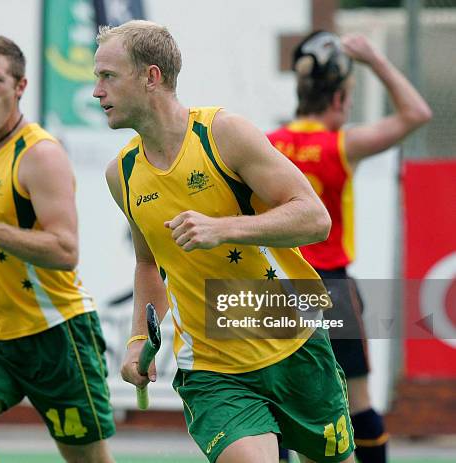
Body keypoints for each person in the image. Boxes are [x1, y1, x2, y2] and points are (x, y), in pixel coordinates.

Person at [94, 20, 357, 463]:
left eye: (108, 76)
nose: (97, 91)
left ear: (151, 77)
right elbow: (147, 264)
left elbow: (315, 218)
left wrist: (223, 228)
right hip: (213, 369)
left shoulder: (222, 133)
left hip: (294, 342)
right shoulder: (121, 174)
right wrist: (140, 335)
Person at [0, 36, 116, 463]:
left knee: (87, 459)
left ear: (19, 87)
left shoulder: (41, 155)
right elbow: (0, 242)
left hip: (56, 333)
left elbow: (64, 250)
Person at [267, 31, 432, 463]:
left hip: (270, 286)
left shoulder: (266, 145)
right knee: (357, 402)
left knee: (270, 401)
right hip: (330, 289)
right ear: (339, 98)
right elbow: (417, 113)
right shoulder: (341, 145)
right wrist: (375, 59)